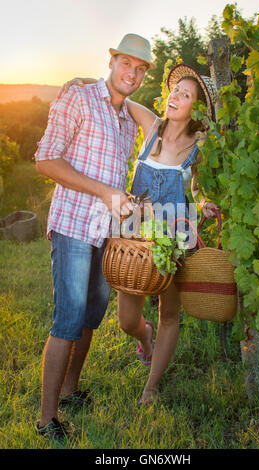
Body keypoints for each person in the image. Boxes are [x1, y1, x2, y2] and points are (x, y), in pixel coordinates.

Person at [62, 63, 219, 405]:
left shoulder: (198, 147)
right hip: (133, 234)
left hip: (175, 235)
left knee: (169, 315)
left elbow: (200, 189)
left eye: (186, 94)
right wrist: (82, 81)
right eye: (176, 90)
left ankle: (152, 386)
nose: (176, 96)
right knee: (126, 319)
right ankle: (143, 338)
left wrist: (204, 204)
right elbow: (113, 89)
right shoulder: (151, 125)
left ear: (196, 109)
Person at [34, 33, 154, 441]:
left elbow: (137, 111)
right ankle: (47, 417)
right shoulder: (79, 98)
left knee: (91, 316)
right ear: (112, 60)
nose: (132, 74)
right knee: (68, 317)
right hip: (72, 225)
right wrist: (104, 192)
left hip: (107, 234)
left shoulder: (127, 123)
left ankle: (69, 391)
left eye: (140, 70)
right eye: (126, 64)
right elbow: (46, 160)